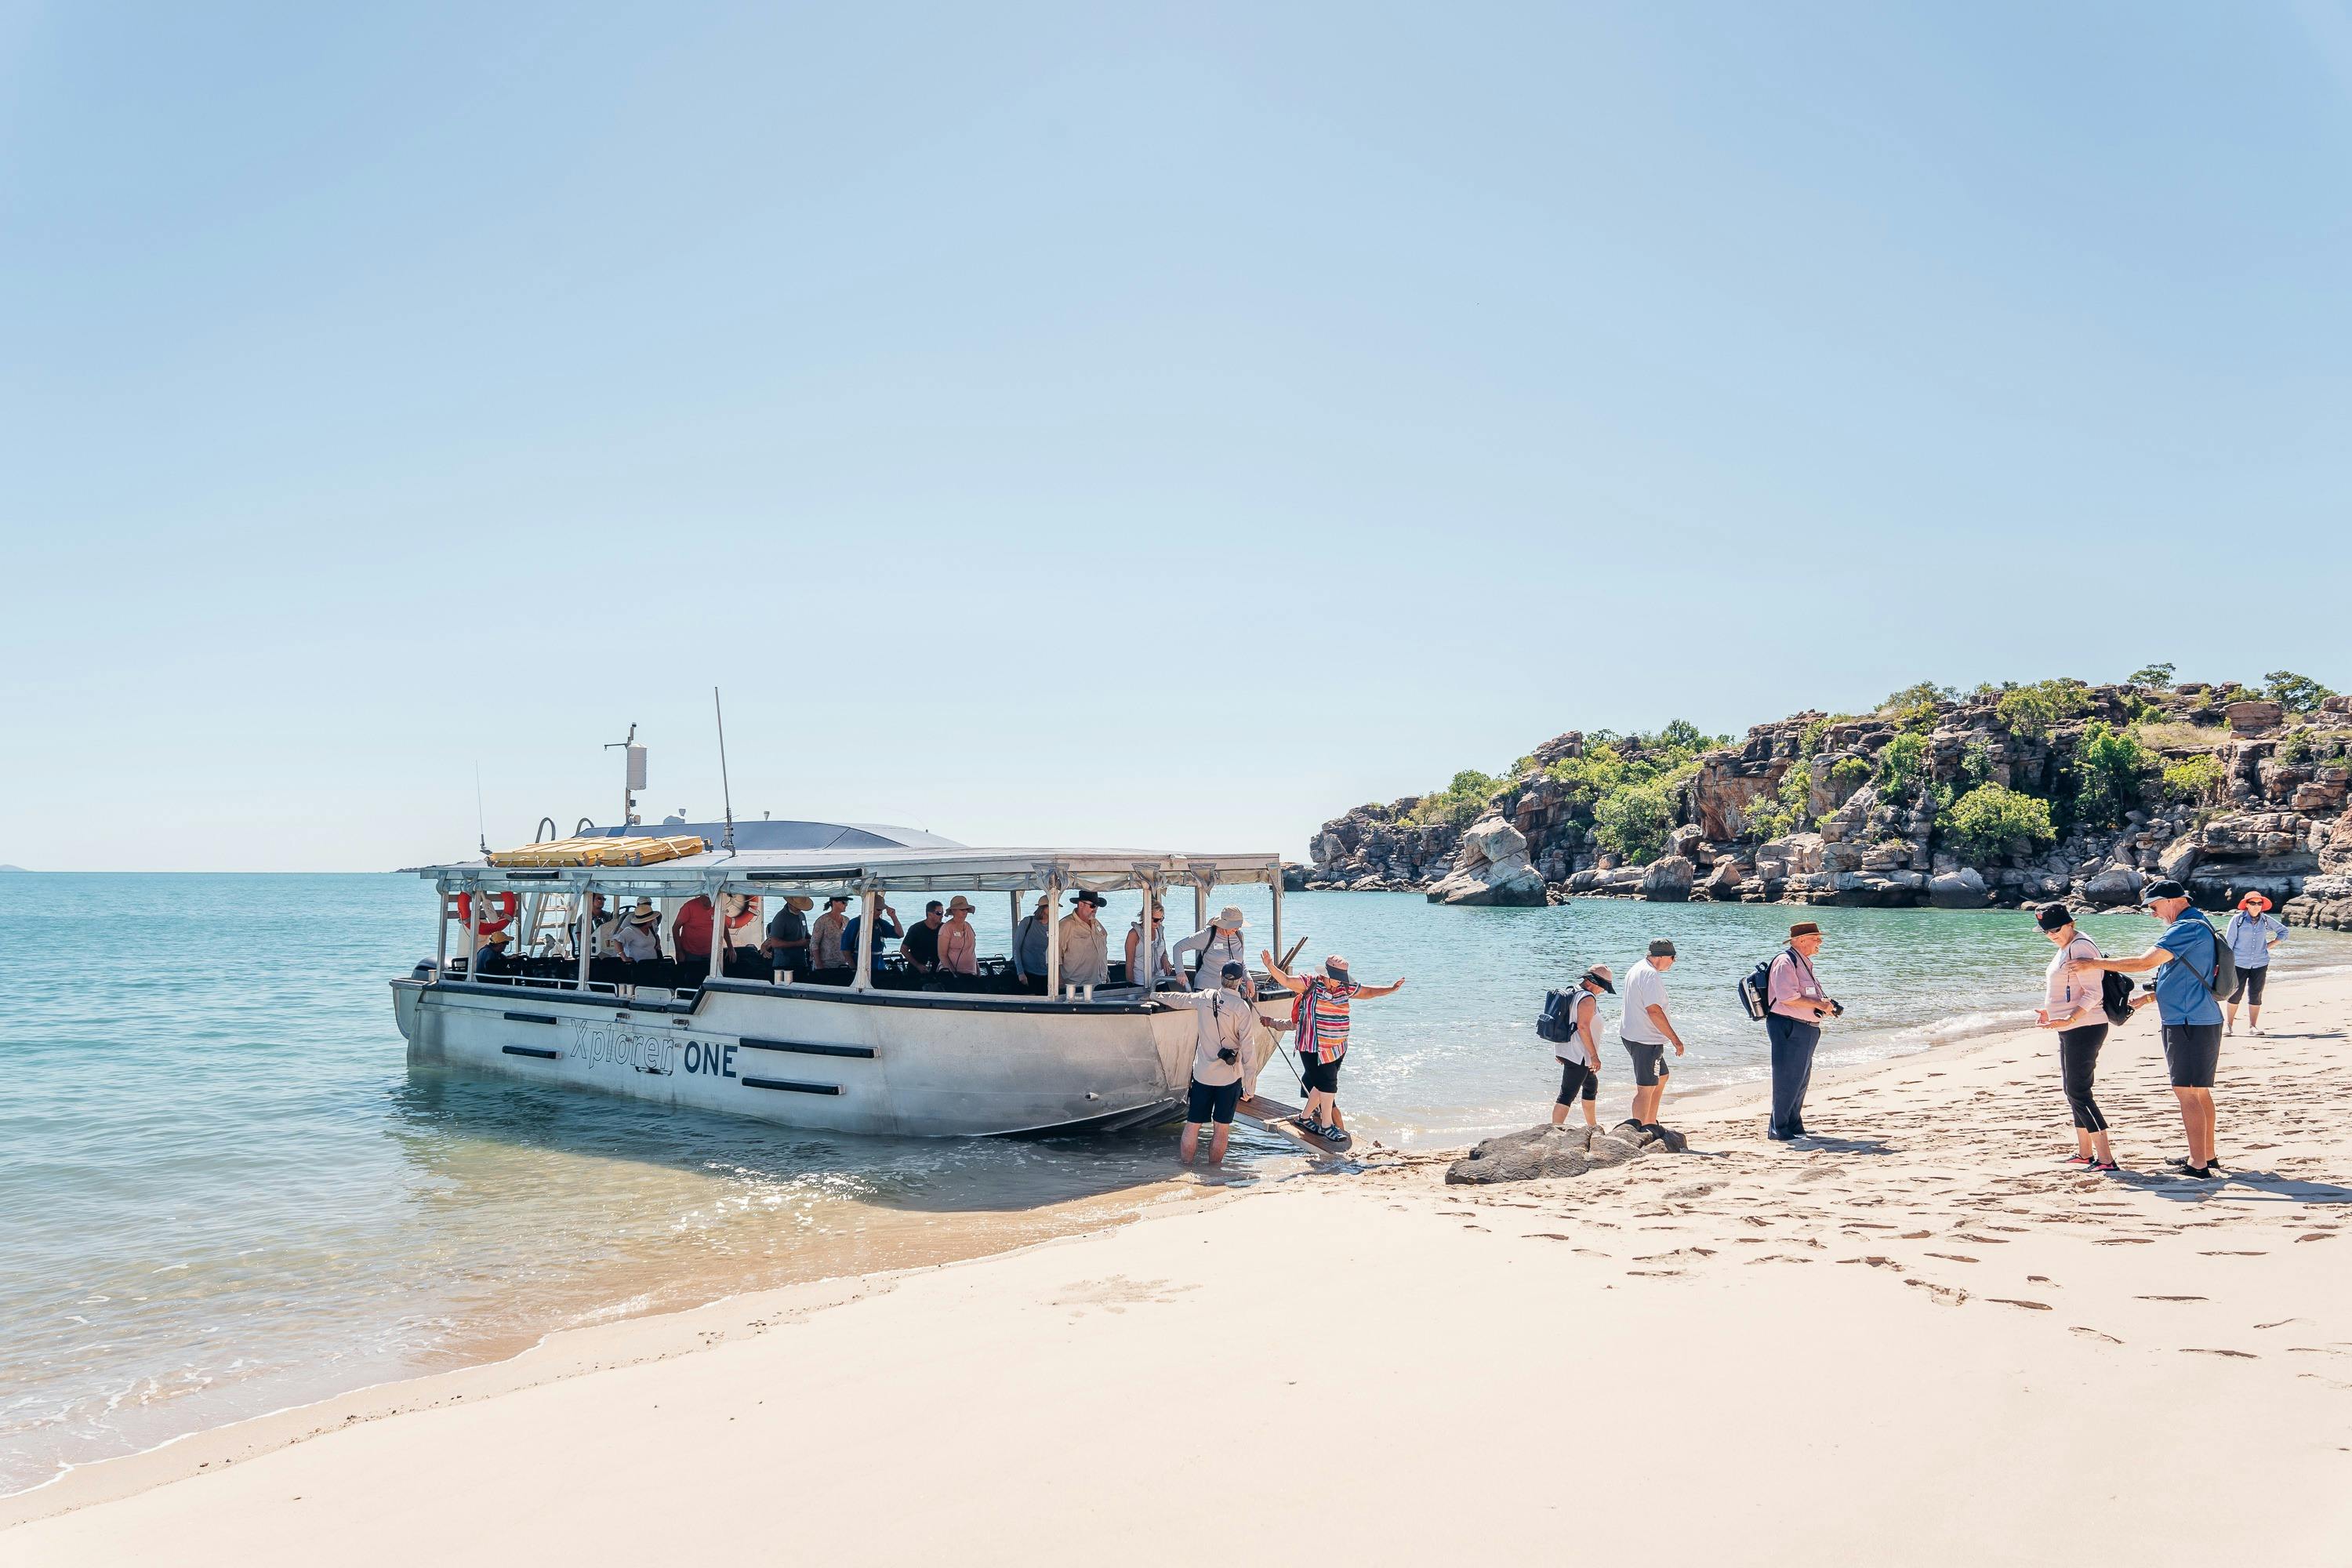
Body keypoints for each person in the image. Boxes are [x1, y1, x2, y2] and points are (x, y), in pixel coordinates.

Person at [2072, 879, 2227, 1178]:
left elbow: (2145, 963)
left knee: (2187, 1092)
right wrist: (2149, 997)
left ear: (2172, 900)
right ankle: (2205, 1155)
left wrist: (2094, 964)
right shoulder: (2200, 923)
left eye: (2154, 907)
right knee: (2199, 1092)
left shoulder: (2185, 928)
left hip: (2188, 1021)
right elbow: (2185, 975)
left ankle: (2198, 1165)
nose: (2154, 914)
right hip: (2198, 1017)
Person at [1261, 949, 1405, 1142]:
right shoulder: (1310, 983)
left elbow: (1368, 992)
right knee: (1329, 1085)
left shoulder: (1345, 987)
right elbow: (1286, 980)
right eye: (1335, 978)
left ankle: (1304, 1118)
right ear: (1326, 974)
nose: (1338, 981)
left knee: (1321, 1086)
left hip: (1337, 1046)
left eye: (1340, 978)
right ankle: (1327, 1126)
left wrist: (1390, 989)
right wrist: (1270, 966)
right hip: (1313, 1045)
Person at [2033, 903, 2117, 1173]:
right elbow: (2070, 988)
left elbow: (2094, 994)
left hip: (2085, 1026)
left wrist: (2070, 1018)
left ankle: (2106, 1158)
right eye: (2045, 932)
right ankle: (2084, 1152)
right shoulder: (2067, 946)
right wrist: (2052, 1010)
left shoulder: (2081, 947)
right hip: (2071, 1026)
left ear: (2070, 924)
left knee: (2079, 1091)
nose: (2051, 935)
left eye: (2056, 929)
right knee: (2072, 1091)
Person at [1162, 961, 1271, 1166]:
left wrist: (1155, 996)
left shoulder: (1205, 997)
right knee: (1221, 1128)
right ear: (1239, 982)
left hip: (1202, 1075)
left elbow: (1179, 999)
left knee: (1192, 1125)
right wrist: (1250, 1086)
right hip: (1229, 1079)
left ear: (1220, 976)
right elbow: (1249, 1050)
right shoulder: (1242, 1008)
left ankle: (1186, 1167)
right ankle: (1214, 1173)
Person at [1764, 922, 1839, 1142]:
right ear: (1801, 940)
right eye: (1816, 938)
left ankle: (1793, 1125)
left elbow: (1802, 996)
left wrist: (1822, 1006)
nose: (1820, 942)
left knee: (1800, 1079)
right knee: (1787, 1078)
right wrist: (1821, 1005)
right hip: (1788, 1025)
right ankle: (1780, 1129)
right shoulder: (1785, 961)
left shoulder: (1803, 963)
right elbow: (1788, 997)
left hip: (1805, 1028)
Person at [1619, 939, 1688, 1131]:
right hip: (1645, 1039)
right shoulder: (1650, 975)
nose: (1673, 962)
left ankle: (1650, 1122)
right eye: (1673, 958)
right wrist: (1675, 1040)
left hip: (1635, 1034)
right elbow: (1654, 1011)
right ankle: (1637, 1130)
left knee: (1662, 1076)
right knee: (1645, 1088)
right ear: (1662, 957)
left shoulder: (1638, 968)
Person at [1549, 966, 1613, 1131]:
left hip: (1571, 1051)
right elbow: (1583, 1027)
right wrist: (1594, 1055)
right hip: (1579, 1055)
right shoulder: (1587, 999)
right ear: (1594, 983)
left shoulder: (1573, 991)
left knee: (1591, 1085)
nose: (1604, 991)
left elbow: (1565, 1021)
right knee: (1567, 1094)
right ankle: (1554, 1130)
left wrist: (1560, 1049)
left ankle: (1592, 1126)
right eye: (1604, 987)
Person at [2223, 892, 2285, 1036]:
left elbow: (2283, 931)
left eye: (2259, 903)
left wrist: (2271, 944)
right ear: (2246, 905)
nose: (2256, 906)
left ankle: (2253, 1027)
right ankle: (2229, 1026)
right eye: (2253, 903)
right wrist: (2224, 963)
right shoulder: (2237, 920)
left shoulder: (2266, 920)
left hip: (2260, 962)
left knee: (2256, 995)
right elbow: (2229, 943)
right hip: (2239, 963)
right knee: (2235, 995)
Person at [1172, 906, 1249, 990]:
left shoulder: (1239, 936)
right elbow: (1178, 947)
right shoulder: (1207, 935)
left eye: (1238, 925)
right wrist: (1180, 972)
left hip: (1230, 992)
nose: (1237, 928)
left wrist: (1249, 979)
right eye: (1234, 925)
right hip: (1205, 990)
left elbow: (1240, 962)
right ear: (1224, 923)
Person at [1057, 891, 1111, 989]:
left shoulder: (1096, 923)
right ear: (1081, 904)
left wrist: (1105, 975)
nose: (1096, 909)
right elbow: (1053, 957)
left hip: (1100, 985)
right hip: (1076, 988)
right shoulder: (1065, 925)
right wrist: (1060, 984)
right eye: (1093, 906)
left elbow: (1103, 951)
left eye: (1097, 906)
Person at [1125, 899, 1174, 988]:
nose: (1159, 923)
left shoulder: (1160, 931)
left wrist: (1165, 957)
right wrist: (1131, 987)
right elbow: (1129, 964)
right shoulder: (1134, 934)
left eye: (1161, 919)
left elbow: (1164, 951)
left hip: (1160, 980)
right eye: (1156, 920)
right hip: (1140, 982)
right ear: (1146, 917)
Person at [841, 899, 902, 970]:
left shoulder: (880, 923)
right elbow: (845, 949)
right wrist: (854, 969)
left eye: (882, 910)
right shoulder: (855, 923)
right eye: (879, 909)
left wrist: (893, 917)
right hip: (861, 967)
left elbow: (900, 934)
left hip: (879, 968)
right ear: (870, 908)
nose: (880, 912)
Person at [762, 895, 812, 977]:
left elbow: (805, 933)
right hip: (783, 965)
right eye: (797, 906)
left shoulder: (802, 915)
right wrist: (798, 943)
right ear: (789, 903)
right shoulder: (780, 918)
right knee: (782, 987)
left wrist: (813, 940)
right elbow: (775, 943)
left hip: (801, 962)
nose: (799, 908)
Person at [1012, 896, 1052, 993]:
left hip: (1046, 974)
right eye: (1052, 907)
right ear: (1043, 908)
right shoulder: (1027, 922)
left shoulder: (1054, 926)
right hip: (1027, 973)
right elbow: (1016, 948)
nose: (1055, 910)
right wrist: (1020, 972)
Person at [671, 894, 716, 979]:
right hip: (690, 953)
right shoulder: (689, 907)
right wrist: (679, 951)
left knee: (707, 978)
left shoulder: (716, 906)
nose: (710, 903)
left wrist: (730, 946)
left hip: (710, 953)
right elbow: (675, 928)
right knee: (691, 978)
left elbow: (723, 927)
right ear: (701, 897)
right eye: (707, 900)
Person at [938, 896, 979, 976]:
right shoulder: (946, 928)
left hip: (971, 974)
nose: (965, 912)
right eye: (962, 909)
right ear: (953, 911)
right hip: (950, 975)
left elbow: (972, 952)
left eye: (966, 909)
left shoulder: (968, 926)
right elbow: (942, 955)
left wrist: (978, 972)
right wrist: (954, 974)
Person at [613, 898, 664, 964]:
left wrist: (658, 944)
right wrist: (624, 958)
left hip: (652, 963)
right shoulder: (631, 930)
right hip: (638, 966)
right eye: (651, 918)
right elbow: (617, 940)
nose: (653, 920)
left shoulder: (651, 927)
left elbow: (656, 935)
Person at [810, 896, 851, 972]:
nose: (846, 905)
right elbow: (814, 944)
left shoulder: (847, 920)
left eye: (847, 902)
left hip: (843, 965)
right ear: (834, 902)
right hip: (826, 966)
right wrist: (819, 966)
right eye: (844, 902)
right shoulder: (822, 921)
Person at [902, 901, 946, 972]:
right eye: (939, 913)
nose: (942, 916)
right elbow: (904, 949)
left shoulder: (945, 928)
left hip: (938, 971)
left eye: (942, 913)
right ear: (930, 914)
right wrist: (917, 965)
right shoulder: (916, 929)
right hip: (916, 972)